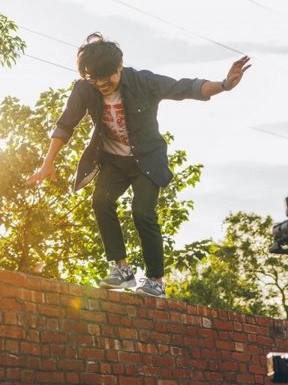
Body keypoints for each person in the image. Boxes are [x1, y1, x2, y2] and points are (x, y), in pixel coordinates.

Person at [27, 32, 250, 297]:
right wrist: (47, 163)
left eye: (106, 77)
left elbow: (185, 87)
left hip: (147, 160)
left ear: (119, 66)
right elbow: (66, 124)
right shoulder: (85, 88)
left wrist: (224, 84)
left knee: (142, 212)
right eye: (94, 78)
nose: (101, 84)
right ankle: (122, 269)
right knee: (100, 200)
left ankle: (155, 280)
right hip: (113, 162)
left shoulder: (143, 82)